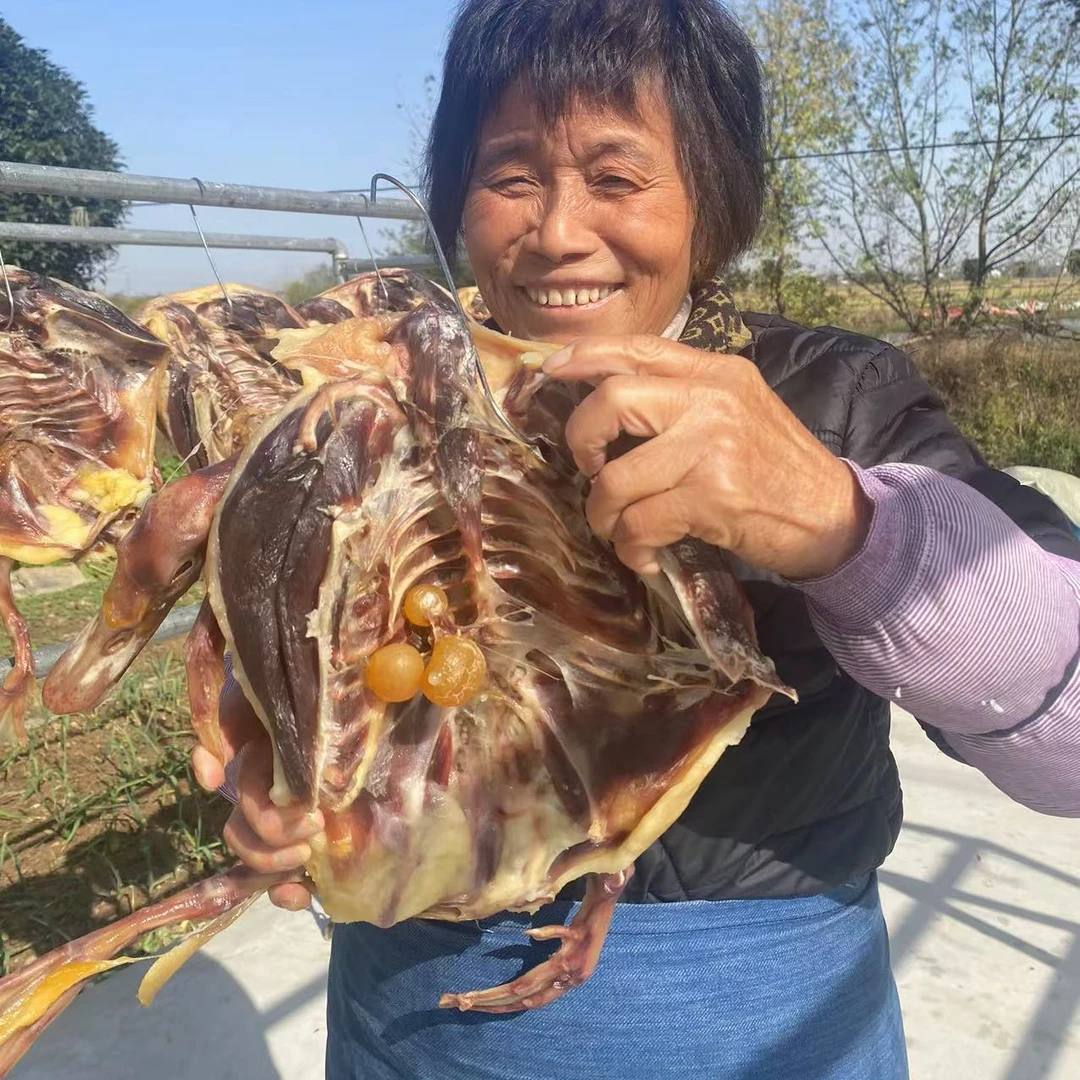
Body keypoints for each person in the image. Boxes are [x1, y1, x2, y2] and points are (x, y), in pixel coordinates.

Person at [193, 1, 1080, 1076]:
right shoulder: (366, 408)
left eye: (617, 179)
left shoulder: (831, 397)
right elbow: (282, 688)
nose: (559, 231)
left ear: (714, 202)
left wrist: (849, 529)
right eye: (511, 176)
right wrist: (284, 800)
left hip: (758, 1021)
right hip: (404, 1017)